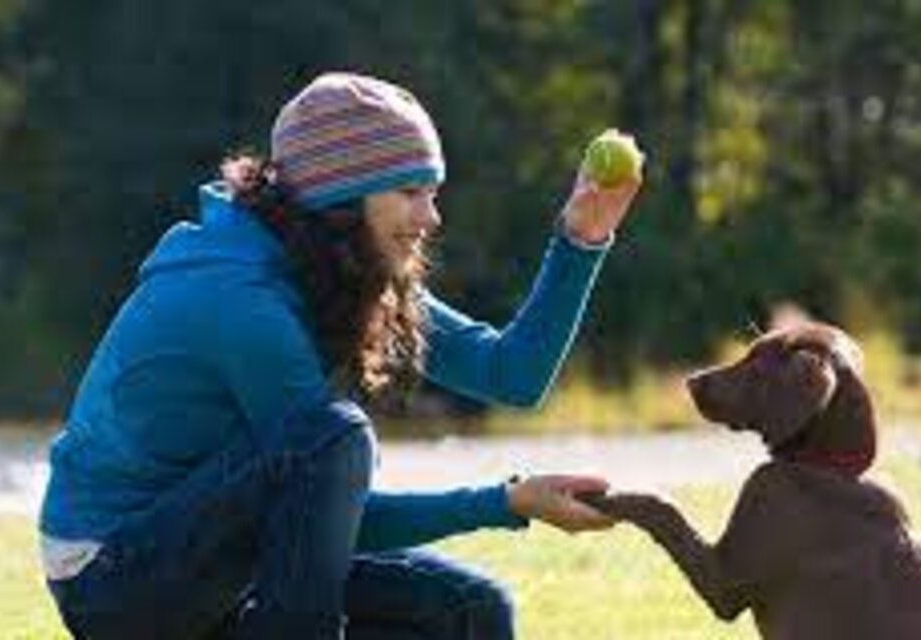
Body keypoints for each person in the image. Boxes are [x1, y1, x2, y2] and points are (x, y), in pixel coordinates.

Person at [39, 72, 642, 639]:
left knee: (473, 613)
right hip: (112, 576)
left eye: (431, 193)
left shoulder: (343, 269)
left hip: (219, 555)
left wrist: (581, 239)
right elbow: (335, 507)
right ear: (342, 199)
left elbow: (511, 373)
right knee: (334, 436)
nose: (431, 218)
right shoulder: (241, 300)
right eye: (411, 193)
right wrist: (503, 501)